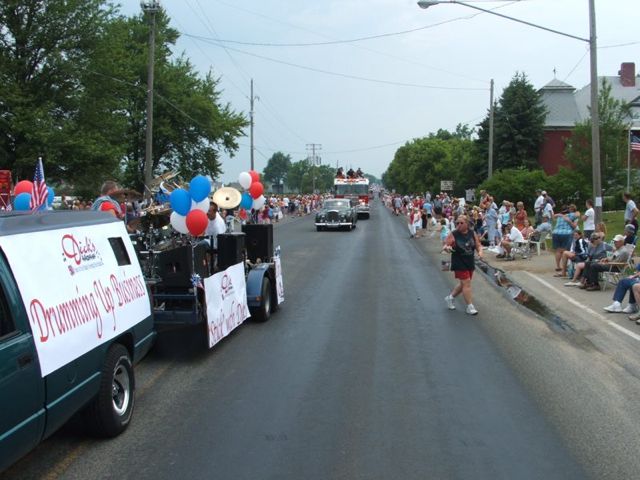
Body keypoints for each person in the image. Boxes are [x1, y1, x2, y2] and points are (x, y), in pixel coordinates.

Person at [443, 215, 483, 315]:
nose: (459, 225)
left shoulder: (472, 233)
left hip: (469, 261)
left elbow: (478, 245)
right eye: (457, 223)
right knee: (466, 283)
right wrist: (447, 248)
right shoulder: (454, 234)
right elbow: (445, 245)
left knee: (463, 284)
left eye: (461, 223)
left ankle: (450, 298)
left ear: (467, 224)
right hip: (458, 261)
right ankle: (470, 307)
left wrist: (480, 252)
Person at [552, 205, 578, 272]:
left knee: (558, 250)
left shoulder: (559, 216)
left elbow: (553, 216)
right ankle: (564, 268)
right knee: (564, 251)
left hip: (556, 232)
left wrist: (559, 214)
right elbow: (577, 215)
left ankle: (558, 266)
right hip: (566, 233)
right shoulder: (572, 215)